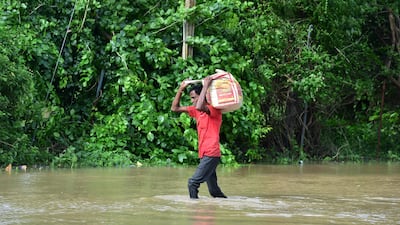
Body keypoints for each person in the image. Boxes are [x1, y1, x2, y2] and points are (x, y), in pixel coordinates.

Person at [171, 76, 227, 199]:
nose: (192, 101)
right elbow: (174, 108)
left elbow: (200, 106)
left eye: (193, 98)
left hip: (211, 154)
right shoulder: (197, 111)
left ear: (201, 95)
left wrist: (206, 86)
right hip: (205, 154)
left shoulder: (214, 109)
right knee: (214, 191)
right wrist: (181, 89)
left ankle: (194, 208)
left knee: (192, 183)